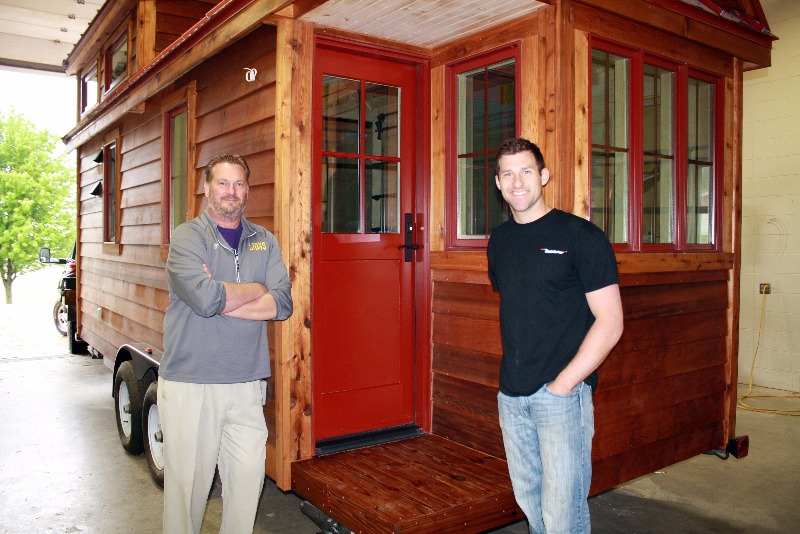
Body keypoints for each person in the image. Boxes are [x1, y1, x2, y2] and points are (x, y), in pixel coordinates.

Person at [487, 138, 624, 533]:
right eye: (508, 173)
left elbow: (610, 321)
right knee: (531, 503)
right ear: (498, 183)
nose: (517, 182)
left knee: (563, 514)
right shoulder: (500, 241)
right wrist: (510, 390)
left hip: (561, 398)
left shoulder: (580, 236)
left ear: (544, 176)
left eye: (526, 171)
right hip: (511, 396)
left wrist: (563, 385)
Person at [159, 154, 293, 533]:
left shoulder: (264, 241)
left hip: (247, 386)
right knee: (186, 498)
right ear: (206, 188)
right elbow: (203, 299)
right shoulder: (188, 236)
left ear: (247, 189)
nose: (231, 192)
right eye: (223, 183)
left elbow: (282, 304)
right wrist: (257, 290)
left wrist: (223, 296)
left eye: (238, 184)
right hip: (192, 384)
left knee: (247, 488)